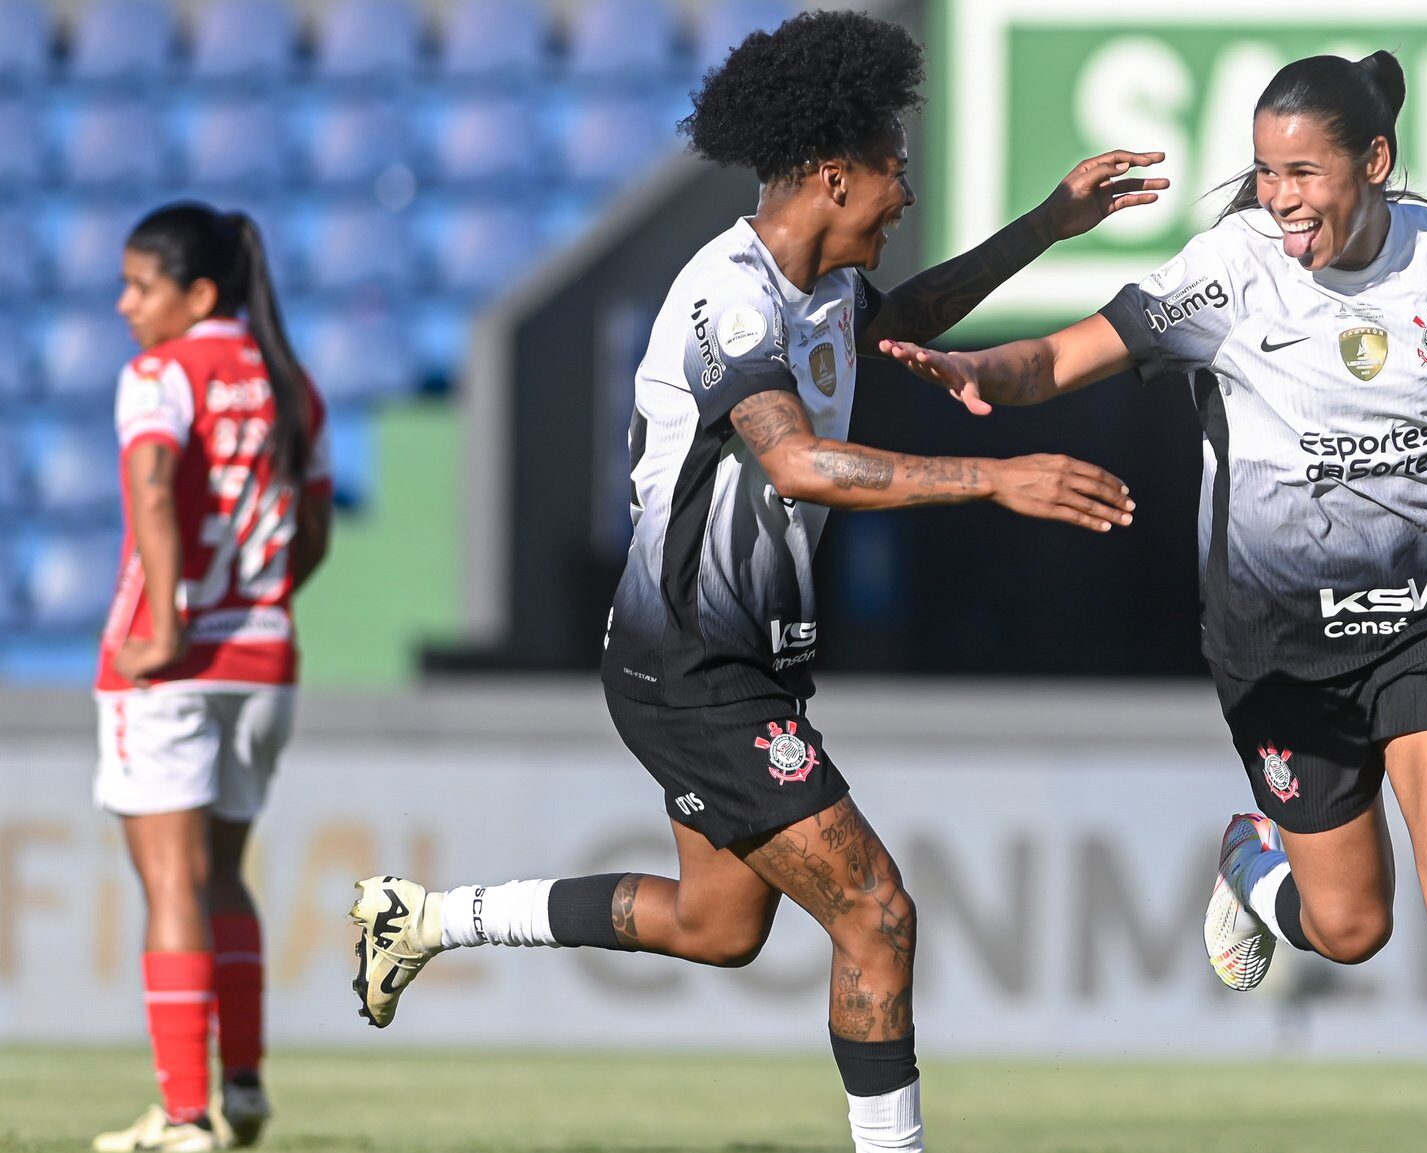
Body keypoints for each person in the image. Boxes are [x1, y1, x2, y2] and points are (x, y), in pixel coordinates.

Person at [345, 13, 1161, 1153]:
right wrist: (994, 475)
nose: (905, 195)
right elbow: (791, 457)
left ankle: (424, 918)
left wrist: (1048, 225)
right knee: (875, 915)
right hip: (690, 663)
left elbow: (905, 322)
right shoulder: (730, 295)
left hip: (737, 661)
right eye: (893, 174)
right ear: (834, 176)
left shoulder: (819, 285)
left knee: (716, 926)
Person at [882, 51, 1427, 1153]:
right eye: (1262, 171)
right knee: (1348, 927)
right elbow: (1066, 354)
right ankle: (1255, 863)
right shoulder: (1229, 270)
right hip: (1278, 641)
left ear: (1372, 163)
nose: (1279, 196)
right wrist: (981, 374)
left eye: (1301, 170)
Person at [92, 204, 332, 1152]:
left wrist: (171, 619)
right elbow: (313, 528)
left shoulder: (160, 374)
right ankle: (243, 1082)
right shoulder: (289, 380)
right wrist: (263, 599)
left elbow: (153, 486)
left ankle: (184, 1113)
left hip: (173, 661)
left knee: (171, 885)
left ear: (195, 294)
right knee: (225, 873)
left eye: (140, 286)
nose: (123, 305)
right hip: (264, 655)